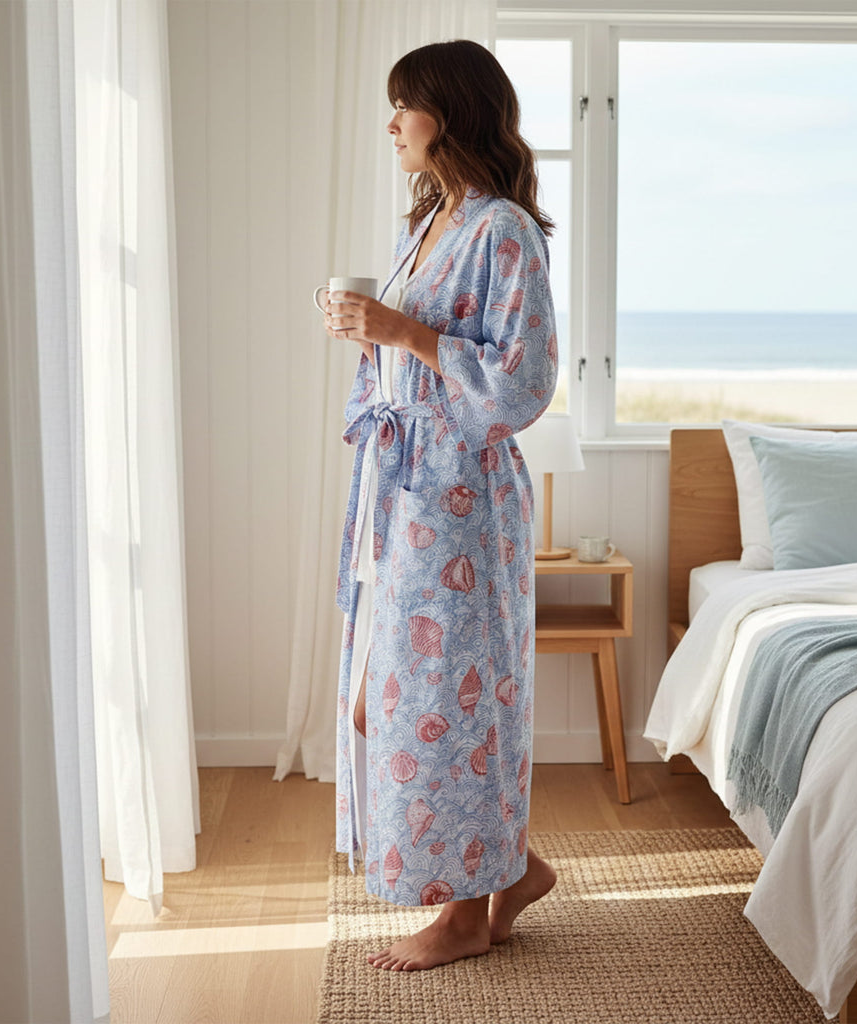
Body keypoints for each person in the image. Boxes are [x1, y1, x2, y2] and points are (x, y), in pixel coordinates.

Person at [323, 38, 559, 972]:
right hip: (406, 485)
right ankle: (516, 868)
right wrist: (369, 337)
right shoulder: (427, 222)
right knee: (389, 696)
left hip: (463, 498)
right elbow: (407, 359)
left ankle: (465, 916)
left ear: (449, 113)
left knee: (442, 703)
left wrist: (403, 332)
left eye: (404, 107)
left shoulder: (503, 230)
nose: (391, 124)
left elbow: (522, 384)